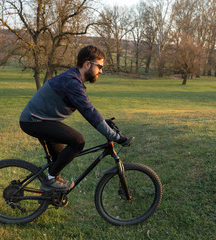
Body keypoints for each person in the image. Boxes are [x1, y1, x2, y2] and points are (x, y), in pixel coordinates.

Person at [19, 45, 132, 191]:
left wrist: (104, 122)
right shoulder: (72, 82)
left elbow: (88, 109)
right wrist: (116, 137)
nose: (101, 71)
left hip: (42, 120)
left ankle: (50, 189)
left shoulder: (73, 79)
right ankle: (50, 180)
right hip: (34, 121)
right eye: (99, 66)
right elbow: (89, 112)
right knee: (77, 141)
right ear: (87, 64)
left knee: (59, 157)